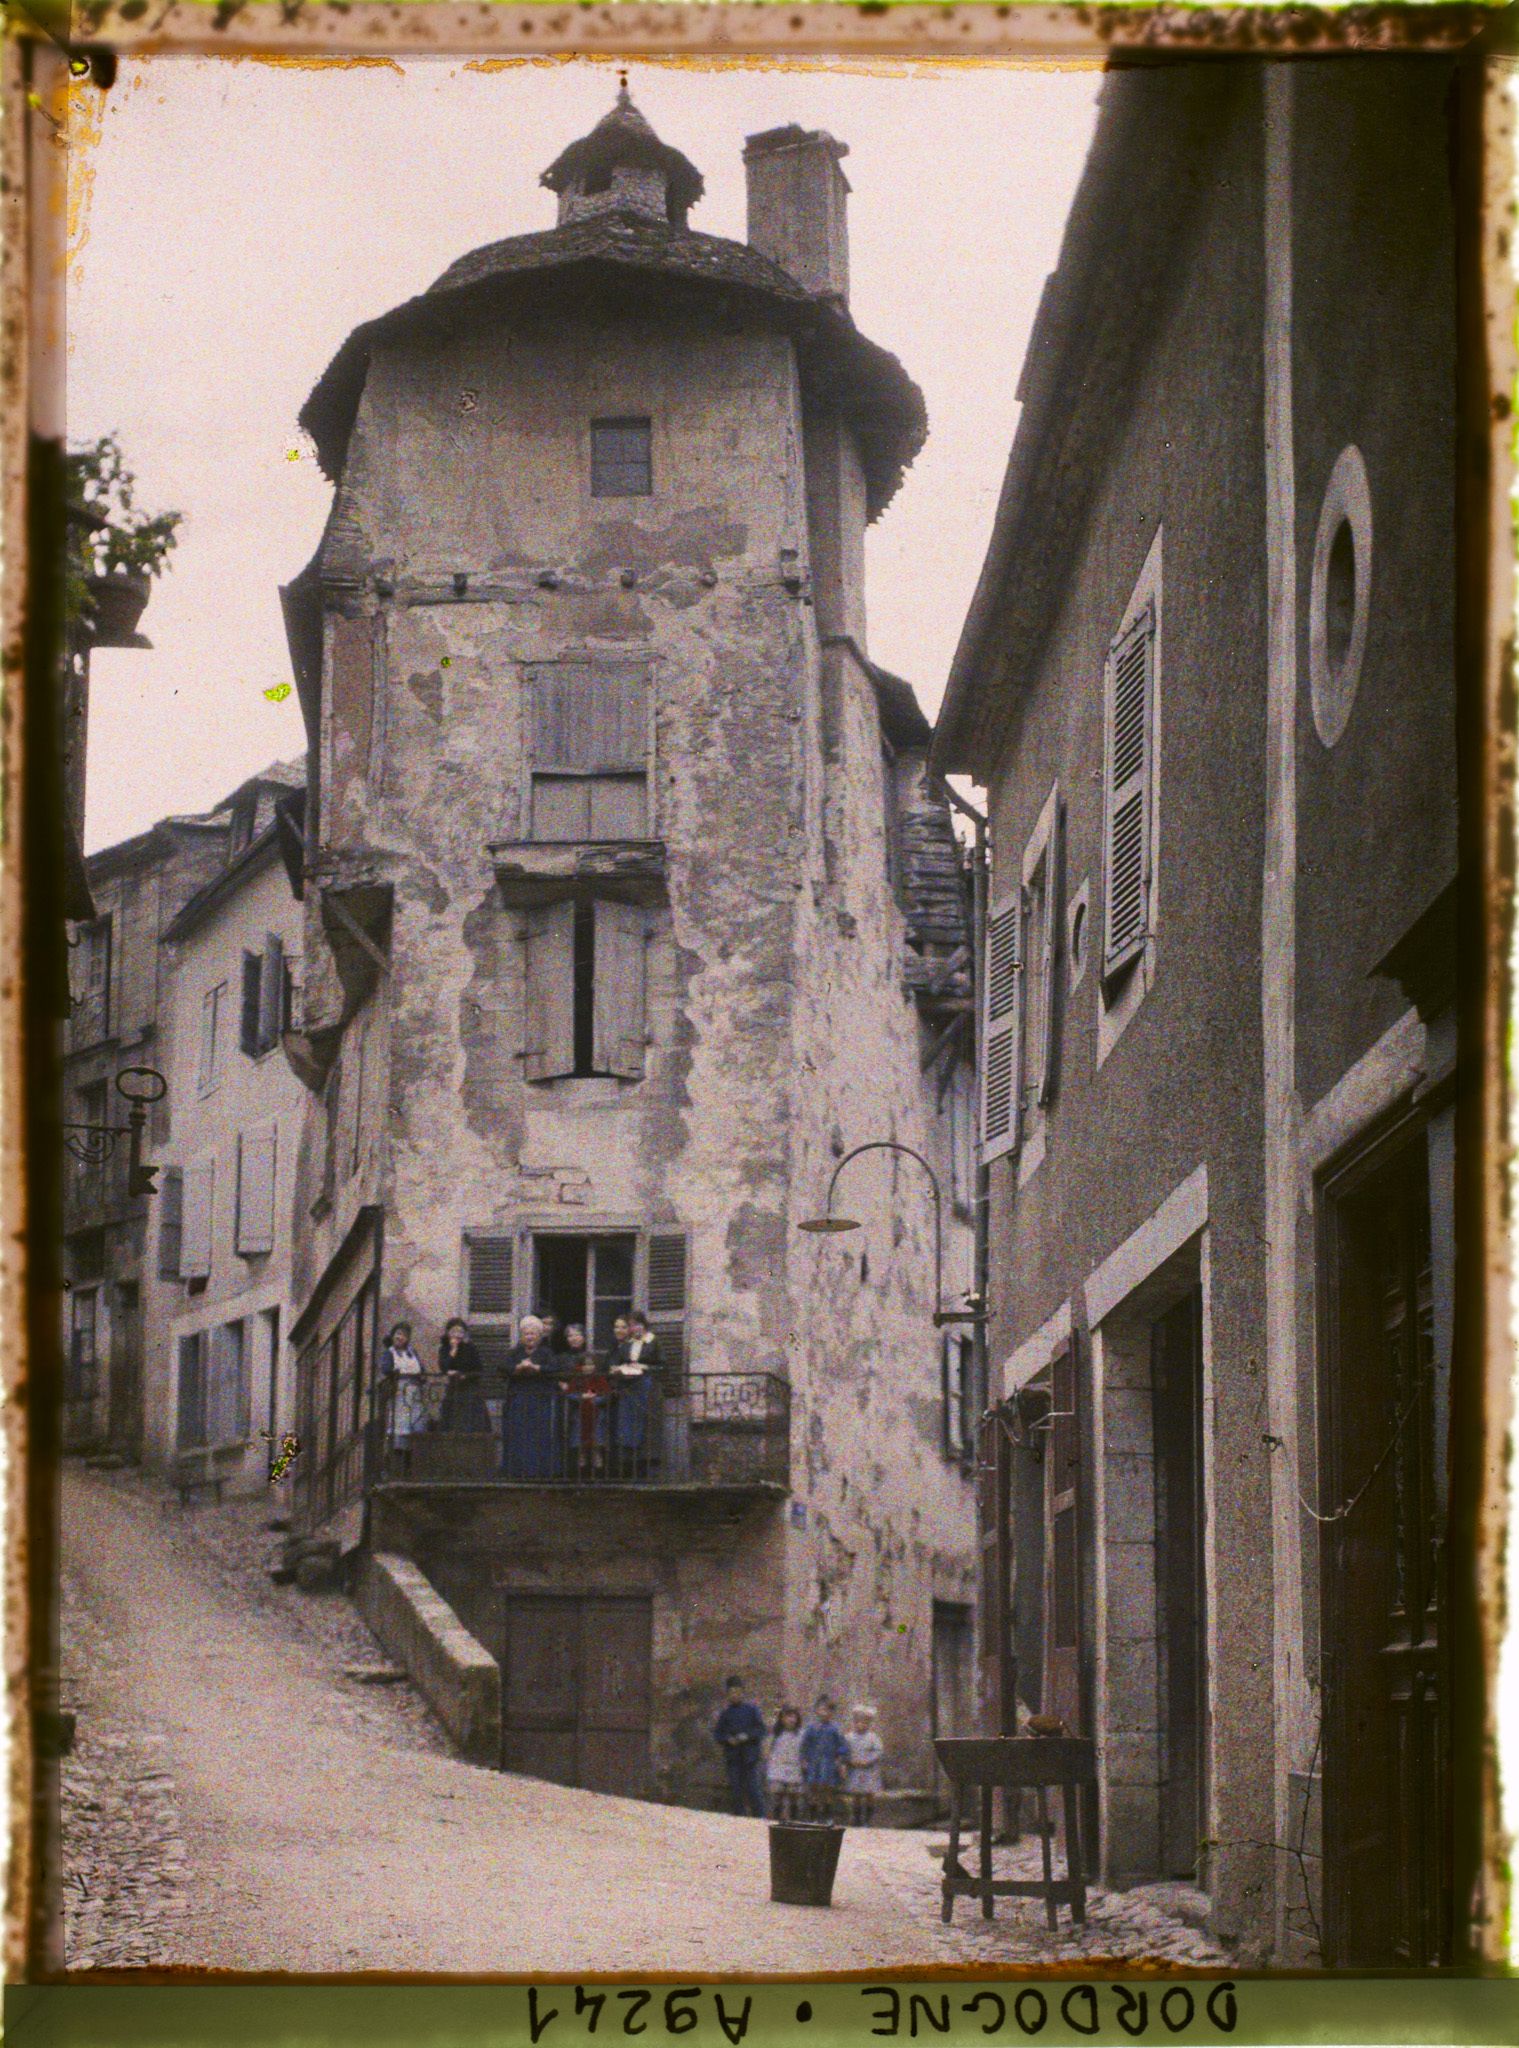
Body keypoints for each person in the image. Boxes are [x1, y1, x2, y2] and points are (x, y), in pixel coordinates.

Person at [501, 1314, 563, 1478]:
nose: (530, 1337)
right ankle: (517, 1471)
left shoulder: (546, 1352)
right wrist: (517, 1368)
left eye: (533, 1334)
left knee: (539, 1435)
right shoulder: (515, 1352)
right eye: (526, 1334)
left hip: (540, 1399)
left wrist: (537, 1368)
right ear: (521, 1336)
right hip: (519, 1398)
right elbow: (502, 1368)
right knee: (519, 1435)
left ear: (539, 1336)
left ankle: (540, 1471)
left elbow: (555, 1368)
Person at [608, 1310, 660, 1476]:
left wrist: (645, 1367)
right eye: (631, 1325)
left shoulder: (653, 1342)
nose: (635, 1328)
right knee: (627, 1427)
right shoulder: (627, 1345)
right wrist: (618, 1370)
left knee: (646, 1426)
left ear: (644, 1325)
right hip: (629, 1388)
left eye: (638, 1324)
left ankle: (647, 1468)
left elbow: (663, 1365)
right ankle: (627, 1467)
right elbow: (618, 1363)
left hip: (647, 1387)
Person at [713, 1675, 767, 1818]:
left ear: (743, 1693)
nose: (735, 1695)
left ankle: (760, 1818)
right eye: (731, 1692)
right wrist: (728, 1739)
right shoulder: (725, 1714)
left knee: (753, 1789)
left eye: (738, 1692)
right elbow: (717, 1734)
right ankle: (739, 1819)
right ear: (727, 1695)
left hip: (750, 1758)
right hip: (733, 1758)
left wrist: (747, 1736)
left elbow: (761, 1730)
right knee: (736, 1790)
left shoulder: (752, 1710)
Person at [561, 1325, 609, 1479]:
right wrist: (582, 1397)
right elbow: (569, 1393)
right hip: (580, 1418)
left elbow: (606, 1394)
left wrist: (595, 1398)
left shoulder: (599, 1379)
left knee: (596, 1449)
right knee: (581, 1450)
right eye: (585, 1365)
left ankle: (598, 1478)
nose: (588, 1367)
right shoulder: (577, 1379)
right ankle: (582, 1477)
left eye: (591, 1364)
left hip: (596, 1417)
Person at [380, 1321, 428, 1465]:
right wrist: (395, 1373)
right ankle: (396, 1461)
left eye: (404, 1335)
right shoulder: (389, 1353)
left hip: (415, 1391)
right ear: (393, 1336)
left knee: (415, 1421)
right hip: (399, 1392)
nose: (400, 1337)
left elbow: (421, 1369)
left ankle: (411, 1460)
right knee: (400, 1424)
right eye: (398, 1334)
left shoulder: (412, 1352)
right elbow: (386, 1369)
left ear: (407, 1339)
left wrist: (422, 1376)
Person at [800, 1696, 850, 1823]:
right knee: (814, 1789)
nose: (824, 1713)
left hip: (828, 1764)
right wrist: (804, 1760)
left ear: (832, 1713)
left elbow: (842, 1746)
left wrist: (840, 1759)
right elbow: (804, 1745)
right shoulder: (811, 1728)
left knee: (827, 1790)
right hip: (814, 1763)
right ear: (817, 1710)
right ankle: (813, 1816)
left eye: (828, 1710)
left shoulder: (835, 1729)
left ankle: (827, 1816)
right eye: (822, 1709)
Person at [438, 1316, 485, 1432]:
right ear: (448, 1333)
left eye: (460, 1332)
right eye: (454, 1331)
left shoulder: (470, 1348)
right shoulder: (444, 1349)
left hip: (469, 1391)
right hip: (453, 1391)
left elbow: (479, 1370)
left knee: (468, 1425)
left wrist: (465, 1376)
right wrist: (453, 1350)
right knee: (452, 1424)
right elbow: (444, 1367)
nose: (457, 1335)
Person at [844, 1703, 885, 1827]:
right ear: (854, 1722)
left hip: (869, 1770)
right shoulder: (849, 1737)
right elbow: (844, 1751)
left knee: (869, 1794)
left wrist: (868, 1760)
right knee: (856, 1795)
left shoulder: (873, 1737)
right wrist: (850, 1760)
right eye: (858, 1722)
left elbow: (878, 1751)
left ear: (869, 1723)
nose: (861, 1725)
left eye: (864, 1722)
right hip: (855, 1770)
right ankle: (856, 1819)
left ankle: (868, 1819)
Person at [766, 1704, 806, 1822]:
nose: (791, 1720)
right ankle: (775, 1821)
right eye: (788, 1716)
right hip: (777, 1768)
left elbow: (804, 1750)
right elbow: (767, 1750)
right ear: (782, 1718)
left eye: (794, 1717)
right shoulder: (775, 1734)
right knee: (777, 1796)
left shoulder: (801, 1734)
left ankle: (794, 1822)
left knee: (794, 1797)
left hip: (794, 1767)